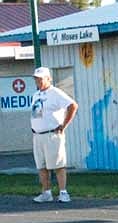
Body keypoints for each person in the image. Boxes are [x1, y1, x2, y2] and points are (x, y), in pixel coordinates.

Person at [30, 66, 78, 204]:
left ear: (48, 78)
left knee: (58, 164)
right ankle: (46, 192)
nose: (38, 81)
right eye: (36, 79)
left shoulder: (55, 92)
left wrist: (63, 125)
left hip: (52, 134)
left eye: (40, 79)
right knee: (41, 166)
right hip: (38, 135)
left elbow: (73, 105)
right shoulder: (36, 95)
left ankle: (63, 192)